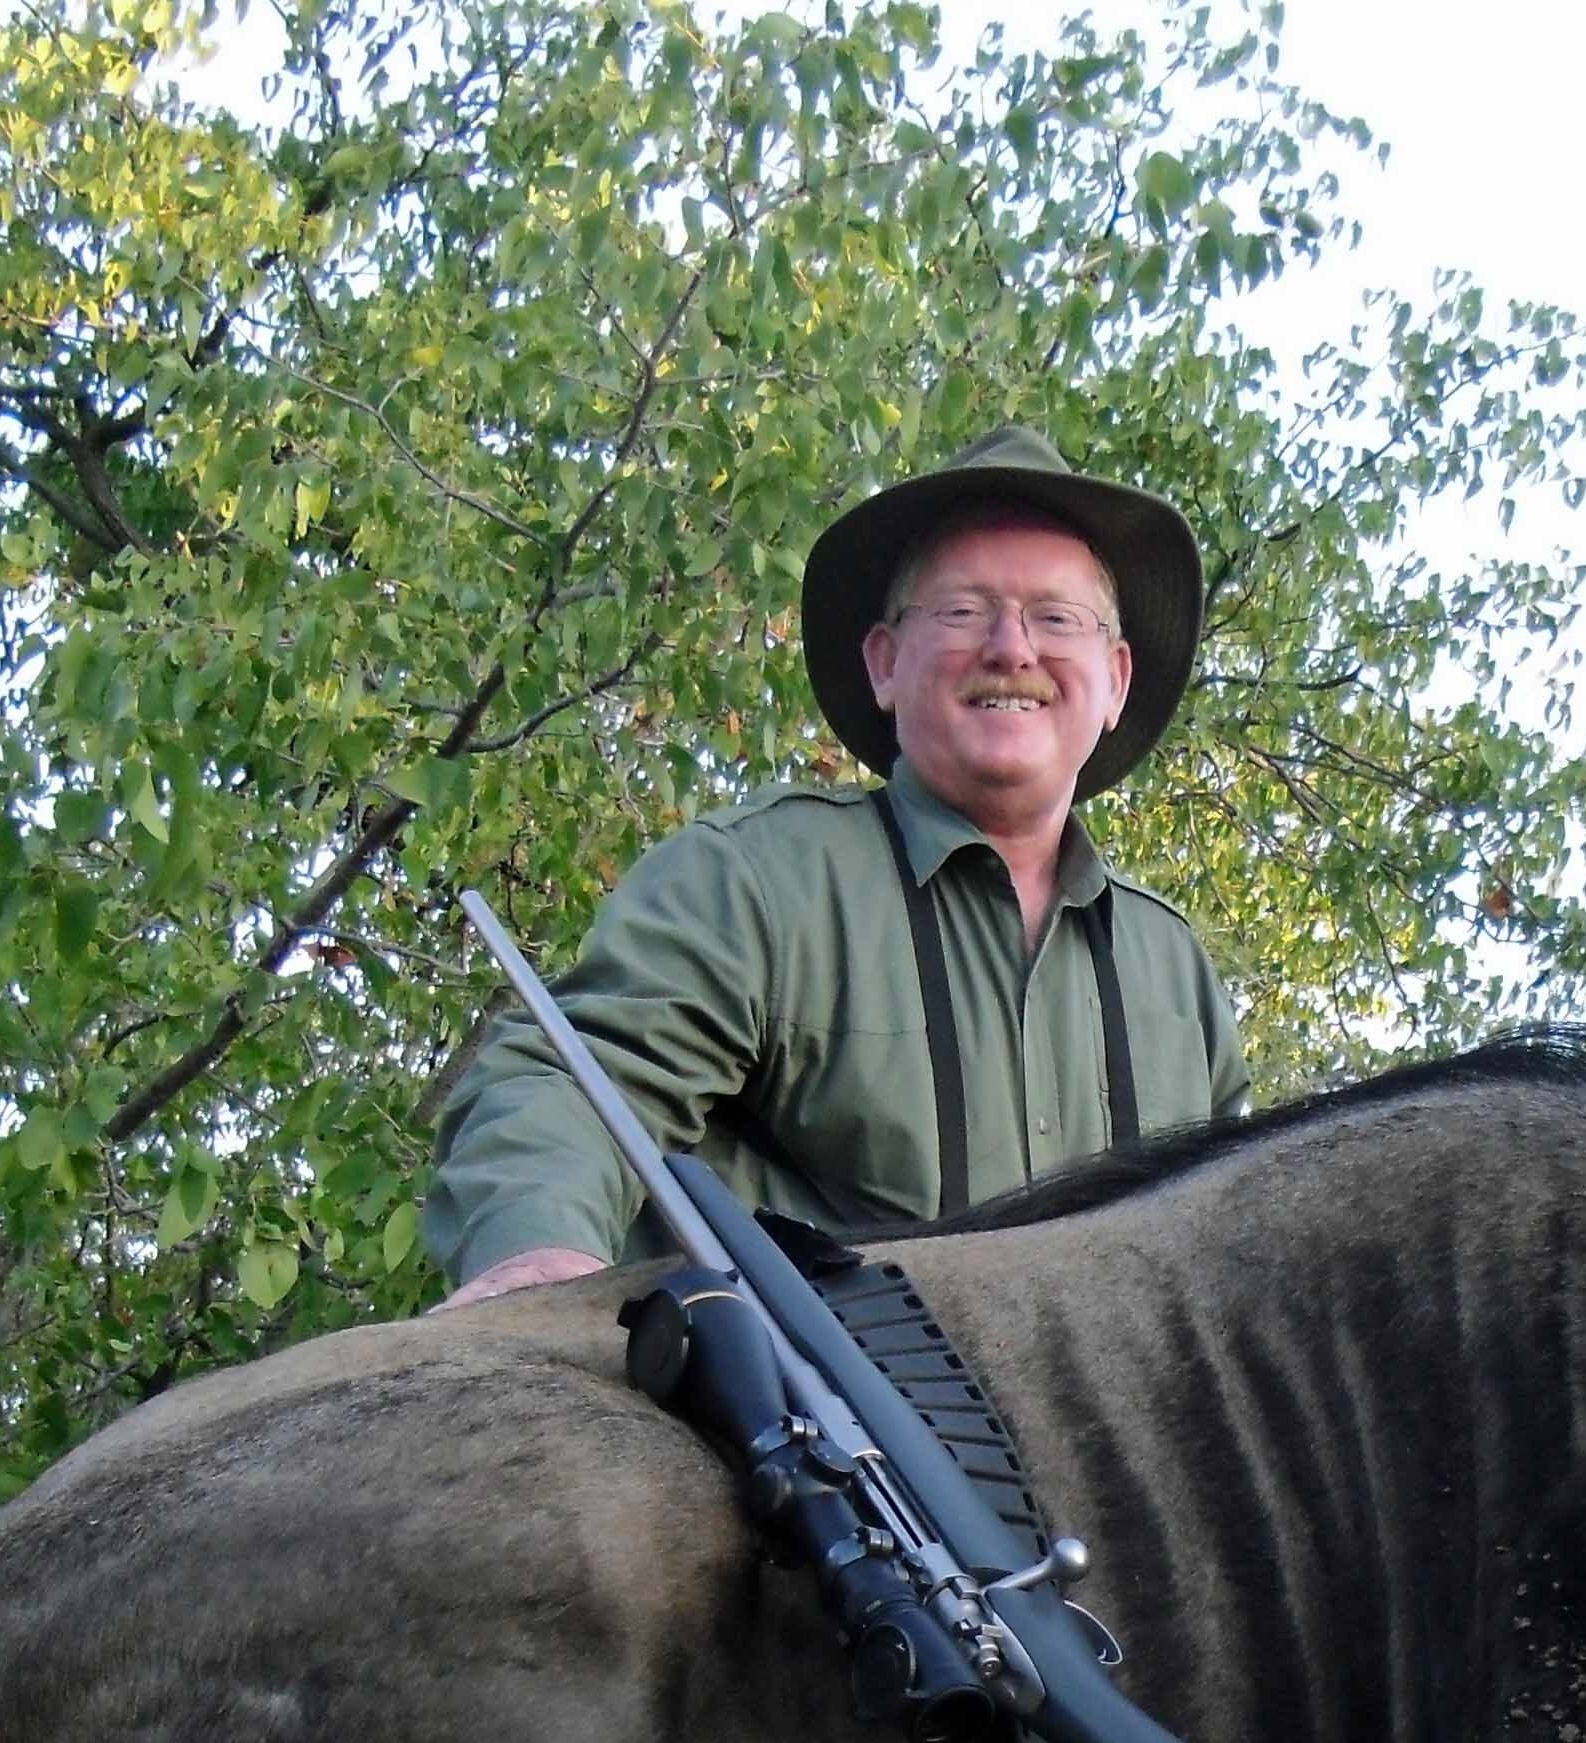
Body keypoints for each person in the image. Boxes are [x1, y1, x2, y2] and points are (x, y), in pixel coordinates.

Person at [427, 426, 1247, 1302]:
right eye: (965, 610)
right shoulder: (756, 880)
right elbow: (574, 1079)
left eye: (1057, 618)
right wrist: (536, 1257)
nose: (1013, 648)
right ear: (886, 664)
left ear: (1115, 680)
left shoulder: (1176, 971)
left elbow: (1233, 1250)